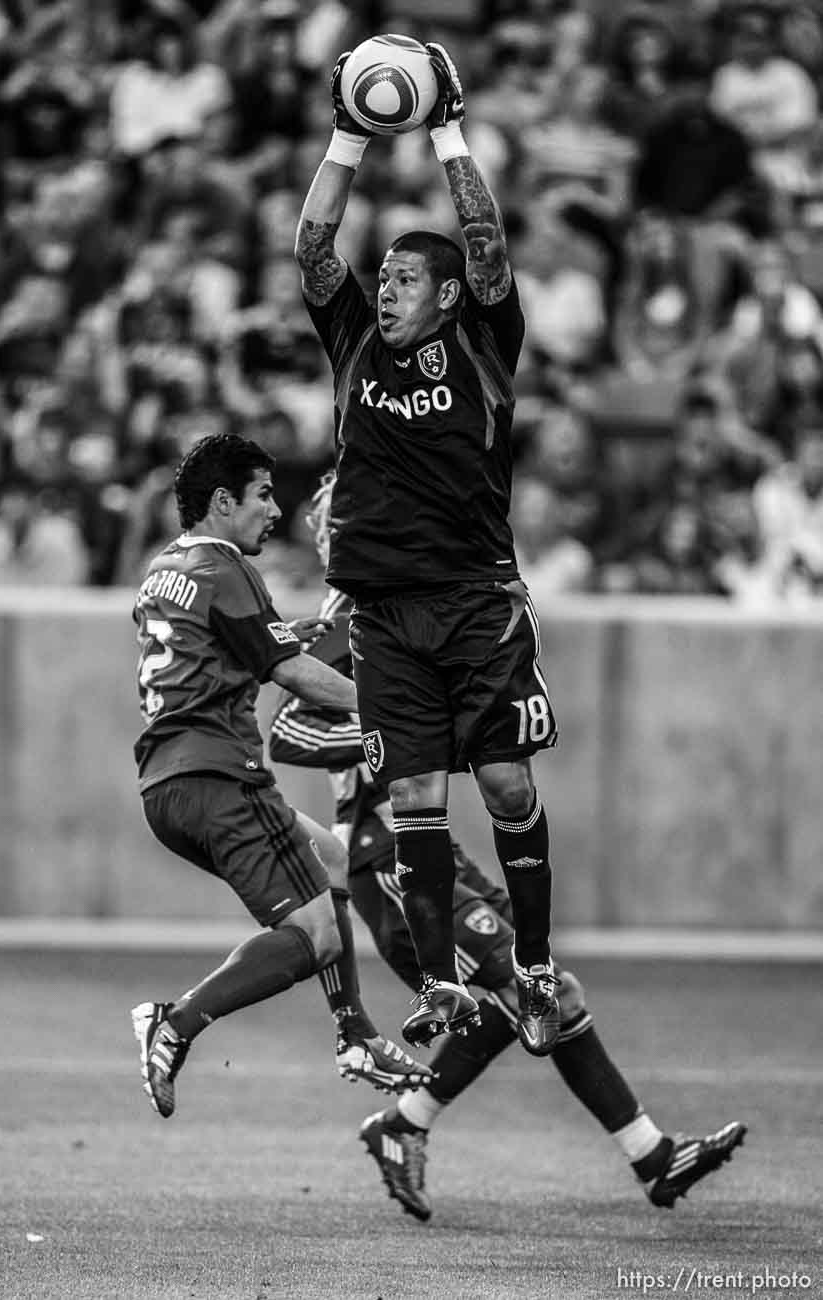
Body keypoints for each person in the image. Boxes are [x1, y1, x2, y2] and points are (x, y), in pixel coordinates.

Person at [266, 472, 748, 1221]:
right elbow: (288, 734)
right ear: (339, 533)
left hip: (432, 850)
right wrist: (393, 728)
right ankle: (633, 1153)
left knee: (539, 994)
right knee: (523, 994)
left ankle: (641, 1155)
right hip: (386, 858)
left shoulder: (411, 601)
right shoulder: (350, 612)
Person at [295, 44, 562, 1056]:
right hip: (382, 609)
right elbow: (313, 247)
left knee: (501, 785)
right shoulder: (355, 341)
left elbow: (485, 240)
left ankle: (533, 969)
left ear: (449, 295)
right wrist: (351, 136)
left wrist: (447, 129)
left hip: (476, 599)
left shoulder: (488, 340)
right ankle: (446, 985)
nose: (390, 285)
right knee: (413, 796)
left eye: (409, 276)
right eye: (389, 274)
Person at [129, 431, 432, 1118]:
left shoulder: (164, 569)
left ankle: (354, 1031)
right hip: (220, 777)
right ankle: (175, 1022)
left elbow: (229, 646)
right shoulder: (228, 568)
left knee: (328, 854)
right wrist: (393, 705)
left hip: (166, 785)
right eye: (262, 494)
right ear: (221, 500)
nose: (274, 509)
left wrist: (286, 634)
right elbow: (289, 673)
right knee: (314, 937)